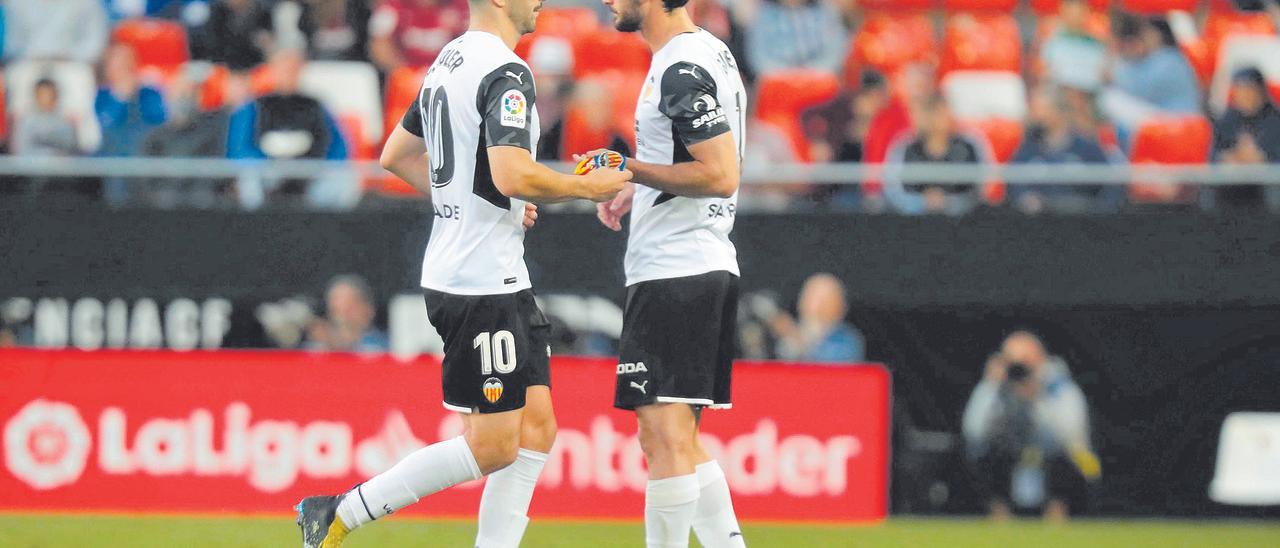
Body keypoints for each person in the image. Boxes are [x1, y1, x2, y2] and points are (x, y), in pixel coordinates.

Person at [294, 0, 630, 545]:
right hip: (478, 282)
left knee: (537, 428)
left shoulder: (447, 60)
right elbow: (512, 171)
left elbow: (396, 154)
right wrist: (584, 187)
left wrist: (481, 201)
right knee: (494, 445)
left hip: (494, 274)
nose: (539, 2)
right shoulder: (505, 70)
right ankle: (341, 512)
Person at [592, 0, 749, 545]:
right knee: (676, 440)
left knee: (662, 439)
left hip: (676, 269)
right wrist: (639, 188)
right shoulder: (710, 53)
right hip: (698, 263)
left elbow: (720, 172)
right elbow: (698, 159)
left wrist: (628, 166)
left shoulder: (679, 67)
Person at [962, 331, 1100, 521]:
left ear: (1041, 359)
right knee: (979, 454)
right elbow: (973, 431)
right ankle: (1000, 520)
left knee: (1077, 459)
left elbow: (1072, 434)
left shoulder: (1058, 385)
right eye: (1013, 362)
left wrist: (1037, 398)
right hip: (1009, 461)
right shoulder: (997, 388)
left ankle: (1057, 519)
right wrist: (991, 387)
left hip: (1053, 461)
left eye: (1025, 362)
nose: (1019, 370)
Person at [226, 47, 351, 209]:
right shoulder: (254, 107)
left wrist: (311, 166)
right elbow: (238, 150)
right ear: (272, 69)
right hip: (267, 173)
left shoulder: (316, 106)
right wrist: (271, 166)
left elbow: (338, 148)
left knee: (343, 178)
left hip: (309, 173)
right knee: (249, 179)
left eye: (293, 69)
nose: (288, 74)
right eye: (283, 68)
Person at [1009, 86, 1121, 215]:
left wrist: (1096, 210)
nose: (1036, 115)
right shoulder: (1027, 149)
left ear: (1059, 111)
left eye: (1042, 109)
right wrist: (1024, 197)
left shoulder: (1086, 147)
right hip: (1038, 224)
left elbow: (1108, 184)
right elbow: (1013, 182)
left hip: (1082, 223)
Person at [139, 66, 232, 209]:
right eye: (180, 92)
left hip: (202, 208)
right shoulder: (154, 138)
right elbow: (148, 180)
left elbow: (214, 175)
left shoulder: (214, 133)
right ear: (168, 96)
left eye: (190, 93)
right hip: (163, 210)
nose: (184, 98)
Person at [882, 95, 988, 216]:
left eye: (946, 111)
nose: (945, 118)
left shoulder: (969, 145)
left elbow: (983, 185)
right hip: (912, 223)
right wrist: (921, 203)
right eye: (937, 113)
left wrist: (950, 203)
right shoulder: (906, 147)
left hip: (964, 221)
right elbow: (892, 188)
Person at [1100, 15, 1200, 140]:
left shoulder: (1170, 58)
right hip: (1167, 118)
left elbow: (1139, 89)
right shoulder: (1153, 59)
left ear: (1158, 35)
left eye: (1147, 33)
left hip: (1180, 122)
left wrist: (1112, 63)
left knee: (1110, 99)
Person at [96, 43, 168, 206]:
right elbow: (104, 127)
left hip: (148, 159)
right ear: (108, 69)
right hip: (114, 161)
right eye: (118, 65)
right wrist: (120, 98)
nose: (124, 70)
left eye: (128, 64)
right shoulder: (101, 97)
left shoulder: (150, 93)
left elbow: (160, 122)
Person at [1211, 67, 1280, 211]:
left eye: (1249, 90)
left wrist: (1261, 158)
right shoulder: (1227, 119)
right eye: (1240, 91)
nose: (1244, 96)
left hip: (1267, 183)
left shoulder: (1275, 120)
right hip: (1232, 183)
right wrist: (1229, 158)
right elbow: (1213, 155)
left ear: (1261, 91)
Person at [768, 273, 864, 363]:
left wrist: (796, 338)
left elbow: (832, 367)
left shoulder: (846, 340)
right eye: (810, 296)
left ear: (840, 305)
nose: (814, 305)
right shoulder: (784, 332)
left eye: (823, 300)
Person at [744, 0, 846, 77]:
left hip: (819, 79)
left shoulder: (825, 12)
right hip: (777, 81)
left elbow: (834, 52)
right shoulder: (763, 14)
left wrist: (809, 74)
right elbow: (758, 56)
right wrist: (786, 75)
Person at [368, 0, 470, 73]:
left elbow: (472, 45)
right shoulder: (391, 6)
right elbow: (379, 46)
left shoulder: (459, 6)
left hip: (445, 76)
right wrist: (406, 72)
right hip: (405, 78)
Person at [2, 0, 109, 63]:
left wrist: (68, 56)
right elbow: (10, 44)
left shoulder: (86, 3)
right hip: (25, 64)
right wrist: (32, 55)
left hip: (71, 64)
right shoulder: (15, 3)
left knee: (76, 79)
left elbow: (93, 43)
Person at [306, 275, 390, 352]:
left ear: (369, 309)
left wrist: (334, 344)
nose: (343, 315)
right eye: (336, 310)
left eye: (350, 308)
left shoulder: (384, 347)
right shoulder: (316, 348)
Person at [1040, 0, 1107, 94]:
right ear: (1063, 12)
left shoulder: (1095, 44)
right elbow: (1044, 71)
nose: (1075, 17)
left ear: (1086, 12)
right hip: (1061, 91)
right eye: (1071, 12)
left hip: (1088, 93)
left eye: (1079, 12)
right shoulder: (1053, 40)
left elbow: (1101, 75)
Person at [12, 79, 80, 157]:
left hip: (60, 168)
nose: (47, 98)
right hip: (31, 168)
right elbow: (21, 151)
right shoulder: (26, 122)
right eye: (43, 94)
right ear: (36, 96)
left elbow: (72, 152)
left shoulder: (66, 123)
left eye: (50, 94)